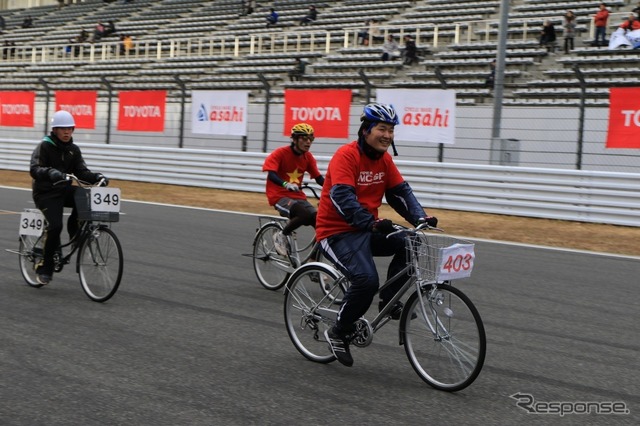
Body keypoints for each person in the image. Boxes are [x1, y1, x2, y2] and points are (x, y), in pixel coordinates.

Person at [316, 103, 437, 367]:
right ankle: (337, 331)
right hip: (337, 232)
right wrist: (369, 222)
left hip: (369, 228)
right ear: (366, 130)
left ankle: (389, 301)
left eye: (391, 130)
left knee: (410, 240)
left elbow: (400, 192)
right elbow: (342, 198)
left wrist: (420, 217)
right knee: (366, 281)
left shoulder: (385, 159)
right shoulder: (345, 156)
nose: (387, 135)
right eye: (382, 129)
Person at [29, 111, 109, 285]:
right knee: (55, 226)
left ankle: (76, 238)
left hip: (64, 190)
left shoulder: (73, 150)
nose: (67, 132)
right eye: (63, 128)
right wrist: (51, 173)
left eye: (70, 128)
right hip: (45, 193)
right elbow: (34, 169)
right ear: (55, 130)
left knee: (84, 199)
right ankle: (45, 267)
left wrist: (97, 177)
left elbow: (81, 172)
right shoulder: (44, 146)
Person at [262, 123, 325, 256]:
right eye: (304, 138)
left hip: (298, 197)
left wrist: (335, 189)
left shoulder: (308, 157)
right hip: (279, 196)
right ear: (295, 139)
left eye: (311, 139)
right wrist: (285, 184)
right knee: (304, 215)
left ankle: (313, 263)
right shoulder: (280, 153)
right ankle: (281, 235)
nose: (308, 142)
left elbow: (319, 178)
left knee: (321, 222)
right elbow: (271, 174)